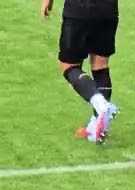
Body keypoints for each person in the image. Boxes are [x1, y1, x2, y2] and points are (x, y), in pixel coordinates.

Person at [42, 0, 119, 142]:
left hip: (79, 10)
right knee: (100, 64)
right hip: (108, 10)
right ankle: (96, 128)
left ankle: (100, 104)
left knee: (68, 65)